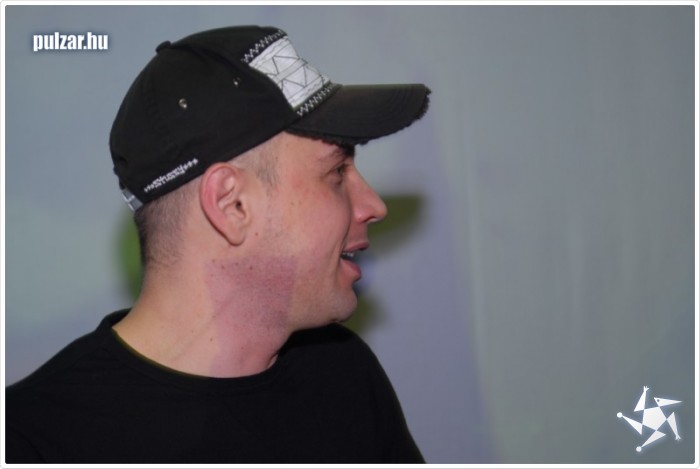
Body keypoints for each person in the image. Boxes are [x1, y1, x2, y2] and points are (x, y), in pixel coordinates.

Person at [5, 25, 430, 463]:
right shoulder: (31, 442)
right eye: (337, 172)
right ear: (232, 205)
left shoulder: (341, 374)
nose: (374, 206)